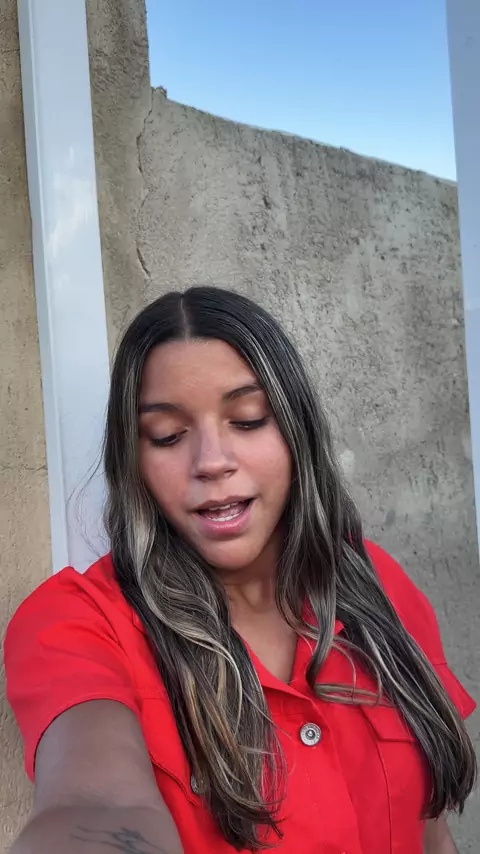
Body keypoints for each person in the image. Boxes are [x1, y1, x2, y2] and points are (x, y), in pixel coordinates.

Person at [4, 287, 476, 854]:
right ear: (133, 460)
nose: (211, 462)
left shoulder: (377, 583)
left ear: (297, 430)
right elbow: (95, 806)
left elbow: (431, 832)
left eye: (248, 420)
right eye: (167, 435)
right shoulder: (77, 625)